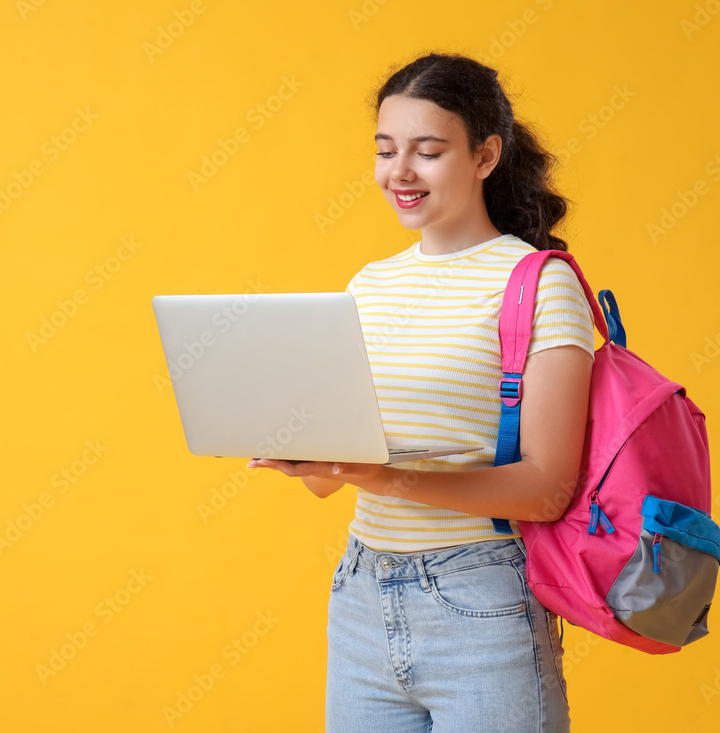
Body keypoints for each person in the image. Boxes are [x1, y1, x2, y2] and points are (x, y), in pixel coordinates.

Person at [247, 51, 594, 732]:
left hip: (481, 600)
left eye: (428, 151)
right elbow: (332, 480)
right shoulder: (368, 284)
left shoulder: (538, 282)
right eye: (386, 150)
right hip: (361, 596)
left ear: (485, 155)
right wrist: (299, 446)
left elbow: (547, 487)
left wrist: (384, 475)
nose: (399, 172)